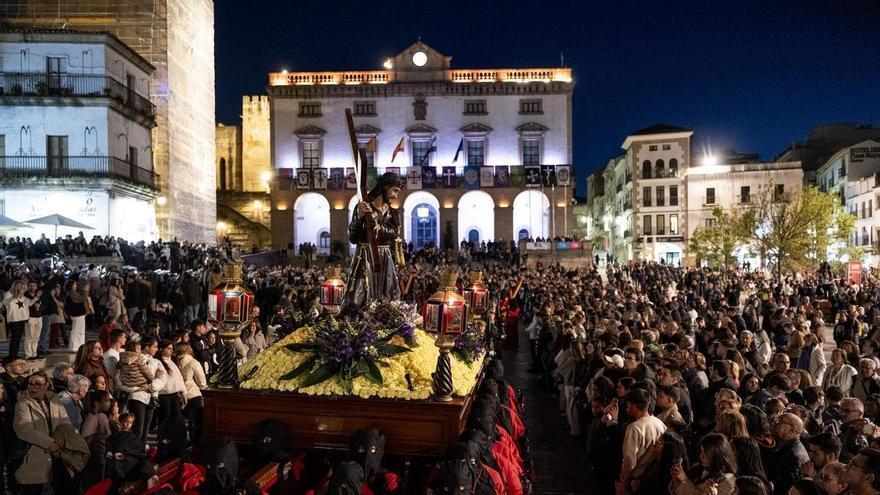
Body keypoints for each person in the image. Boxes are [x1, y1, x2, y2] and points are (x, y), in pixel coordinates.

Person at [342, 172, 404, 312]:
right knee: (357, 298)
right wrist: (359, 217)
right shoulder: (364, 207)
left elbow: (395, 234)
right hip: (365, 256)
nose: (396, 195)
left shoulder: (394, 213)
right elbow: (352, 237)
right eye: (394, 190)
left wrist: (380, 228)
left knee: (388, 298)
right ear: (385, 187)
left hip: (385, 258)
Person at [12, 371, 71, 494]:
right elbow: (25, 429)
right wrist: (50, 443)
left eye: (38, 384)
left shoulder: (54, 400)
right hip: (36, 455)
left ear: (46, 386)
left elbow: (65, 423)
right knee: (33, 490)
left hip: (58, 453)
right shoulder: (22, 404)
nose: (33, 387)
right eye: (30, 384)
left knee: (65, 488)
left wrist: (60, 442)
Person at [619, 388, 667, 490]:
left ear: (634, 406)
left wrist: (625, 478)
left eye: (629, 404)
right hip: (650, 475)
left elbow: (629, 459)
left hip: (636, 477)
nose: (627, 407)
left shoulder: (634, 428)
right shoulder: (660, 423)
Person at [669, 432, 737, 495]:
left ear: (717, 455)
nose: (701, 456)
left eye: (706, 454)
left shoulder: (727, 481)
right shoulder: (698, 469)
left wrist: (684, 479)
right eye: (701, 451)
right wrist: (677, 479)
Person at [764, 412, 810, 495]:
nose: (774, 424)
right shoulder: (787, 448)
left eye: (779, 422)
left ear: (792, 429)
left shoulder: (793, 456)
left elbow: (785, 489)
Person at [80, 389, 112, 489]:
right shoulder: (92, 418)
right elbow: (87, 438)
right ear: (97, 403)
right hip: (96, 456)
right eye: (106, 400)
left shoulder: (102, 416)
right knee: (95, 484)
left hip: (103, 454)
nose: (109, 403)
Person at [176, 342, 207, 442]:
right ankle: (195, 443)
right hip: (193, 395)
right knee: (194, 423)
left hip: (178, 396)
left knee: (179, 422)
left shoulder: (174, 362)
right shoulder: (193, 362)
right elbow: (201, 381)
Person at [155, 339, 185, 427]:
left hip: (175, 395)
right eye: (168, 348)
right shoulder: (157, 362)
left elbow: (179, 378)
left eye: (172, 348)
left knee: (178, 419)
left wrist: (183, 392)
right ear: (161, 349)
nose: (171, 351)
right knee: (165, 420)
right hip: (163, 395)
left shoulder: (172, 361)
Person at [3, 280, 30, 358]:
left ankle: (15, 354)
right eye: (19, 286)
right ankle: (12, 355)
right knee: (14, 338)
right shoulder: (8, 293)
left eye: (21, 286)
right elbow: (5, 302)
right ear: (15, 286)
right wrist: (13, 297)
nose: (21, 287)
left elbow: (27, 304)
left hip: (21, 319)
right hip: (14, 319)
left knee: (18, 338)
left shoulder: (22, 295)